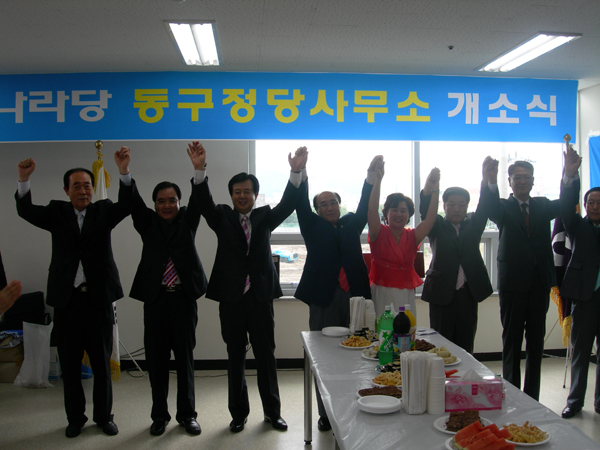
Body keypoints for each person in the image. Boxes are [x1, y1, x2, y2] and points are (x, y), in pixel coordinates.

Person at [15, 147, 136, 438]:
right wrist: (23, 179)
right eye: (77, 186)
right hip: (67, 302)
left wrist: (123, 171)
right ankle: (75, 419)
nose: (83, 190)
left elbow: (129, 203)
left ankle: (104, 417)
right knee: (69, 366)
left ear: (93, 188)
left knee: (101, 364)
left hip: (98, 300)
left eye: (87, 185)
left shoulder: (103, 211)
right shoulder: (56, 212)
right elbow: (25, 210)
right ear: (66, 190)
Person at [193, 142, 306, 433]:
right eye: (237, 192)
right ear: (231, 195)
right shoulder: (221, 216)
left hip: (259, 297)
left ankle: (273, 412)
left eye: (247, 191)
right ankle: (238, 414)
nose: (242, 196)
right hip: (231, 298)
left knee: (266, 356)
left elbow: (288, 204)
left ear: (255, 195)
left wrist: (296, 172)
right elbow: (203, 202)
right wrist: (199, 170)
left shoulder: (265, 217)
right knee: (235, 357)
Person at [129, 146, 208, 436]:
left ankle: (187, 415)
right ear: (154, 204)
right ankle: (159, 416)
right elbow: (133, 201)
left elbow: (200, 200)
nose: (167, 205)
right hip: (156, 300)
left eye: (172, 200)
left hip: (183, 300)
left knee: (185, 359)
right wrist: (125, 173)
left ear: (179, 202)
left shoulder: (188, 219)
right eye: (161, 201)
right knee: (157, 361)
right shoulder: (147, 222)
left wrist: (199, 169)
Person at [295, 154, 377, 432]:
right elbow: (300, 203)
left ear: (339, 205)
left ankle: (353, 405)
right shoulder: (311, 225)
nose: (329, 207)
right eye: (324, 204)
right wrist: (301, 171)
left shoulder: (352, 223)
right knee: (324, 356)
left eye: (333, 202)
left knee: (358, 353)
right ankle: (325, 413)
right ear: (317, 210)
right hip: (324, 297)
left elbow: (365, 204)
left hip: (356, 296)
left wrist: (371, 177)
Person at [480, 156, 560, 401]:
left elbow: (568, 203)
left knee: (536, 342)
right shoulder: (503, 207)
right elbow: (489, 207)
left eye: (526, 177)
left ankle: (532, 398)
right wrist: (489, 180)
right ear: (510, 181)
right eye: (517, 178)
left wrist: (569, 175)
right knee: (512, 341)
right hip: (512, 284)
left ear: (533, 181)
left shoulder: (543, 205)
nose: (522, 181)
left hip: (539, 284)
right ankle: (513, 395)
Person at [419, 162, 493, 354]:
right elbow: (425, 207)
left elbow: (485, 206)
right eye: (451, 205)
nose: (457, 209)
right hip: (441, 292)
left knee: (466, 344)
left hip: (468, 293)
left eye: (461, 205)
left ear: (467, 206)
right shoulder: (435, 225)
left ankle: (464, 374)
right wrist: (430, 185)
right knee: (441, 344)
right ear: (444, 206)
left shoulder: (473, 224)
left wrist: (486, 178)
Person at [368, 160, 439, 319]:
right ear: (386, 213)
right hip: (380, 291)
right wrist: (378, 179)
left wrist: (435, 190)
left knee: (405, 329)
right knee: (381, 329)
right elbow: (371, 210)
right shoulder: (378, 232)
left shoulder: (413, 236)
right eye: (394, 210)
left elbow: (430, 220)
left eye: (403, 211)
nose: (399, 214)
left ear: (408, 215)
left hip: (405, 293)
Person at [559, 146, 600, 418]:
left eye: (599, 203)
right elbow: (565, 205)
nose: (594, 207)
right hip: (585, 299)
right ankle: (574, 402)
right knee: (581, 353)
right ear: (584, 206)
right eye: (590, 202)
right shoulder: (576, 226)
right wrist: (570, 176)